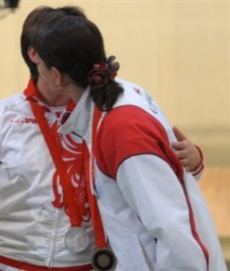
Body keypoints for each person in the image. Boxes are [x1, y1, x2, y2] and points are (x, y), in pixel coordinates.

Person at [0, 6, 206, 270]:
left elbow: (155, 179)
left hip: (93, 264)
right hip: (8, 264)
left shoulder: (110, 113)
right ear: (34, 55)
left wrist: (193, 161)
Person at [31, 12, 226, 270]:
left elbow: (172, 230)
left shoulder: (120, 129)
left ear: (56, 76)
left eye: (39, 67)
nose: (36, 76)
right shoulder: (118, 99)